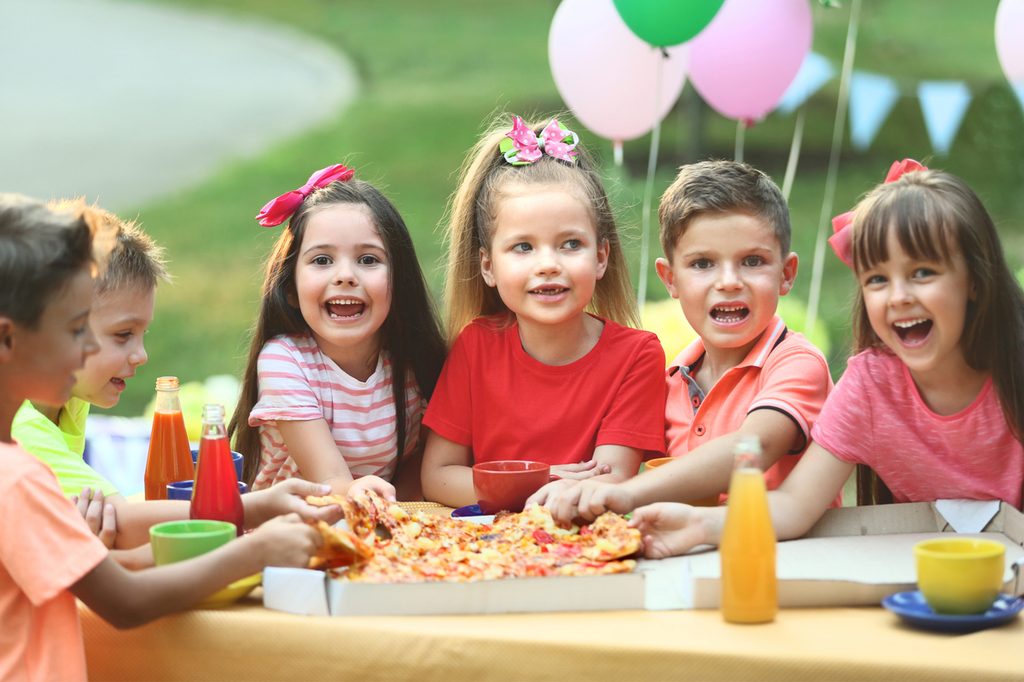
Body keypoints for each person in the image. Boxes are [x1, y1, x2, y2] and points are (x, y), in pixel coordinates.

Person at [0, 194, 323, 681]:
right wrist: (253, 550)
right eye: (74, 330)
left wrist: (248, 515)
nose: (87, 347)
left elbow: (111, 562)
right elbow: (126, 601)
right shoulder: (18, 476)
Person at [630, 162, 1024, 558]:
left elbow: (756, 445)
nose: (899, 296)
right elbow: (792, 505)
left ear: (975, 278)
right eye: (878, 279)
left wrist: (624, 493)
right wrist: (697, 524)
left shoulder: (1013, 373)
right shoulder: (870, 384)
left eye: (922, 273)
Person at [12, 203, 338, 563]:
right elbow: (120, 524)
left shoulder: (67, 399)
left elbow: (96, 526)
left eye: (141, 334)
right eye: (123, 335)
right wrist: (252, 508)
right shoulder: (18, 427)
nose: (141, 355)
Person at [530, 160, 835, 524]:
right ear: (670, 279)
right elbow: (612, 465)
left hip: (785, 558)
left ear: (786, 275)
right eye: (703, 264)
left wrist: (626, 494)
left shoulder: (797, 363)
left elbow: (756, 446)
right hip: (685, 557)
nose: (728, 282)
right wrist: (574, 487)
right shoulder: (670, 381)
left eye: (752, 261)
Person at [420, 115, 667, 508]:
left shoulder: (636, 357)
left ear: (601, 257)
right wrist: (542, 481)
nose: (548, 264)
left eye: (570, 244)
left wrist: (503, 487)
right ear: (488, 266)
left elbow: (607, 482)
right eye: (523, 247)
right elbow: (438, 477)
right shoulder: (476, 346)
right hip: (483, 551)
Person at [229, 164, 447, 501]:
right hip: (288, 536)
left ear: (399, 283)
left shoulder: (410, 363)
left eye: (368, 259)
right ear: (290, 287)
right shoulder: (284, 361)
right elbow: (330, 483)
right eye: (321, 260)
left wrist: (402, 519)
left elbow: (416, 464)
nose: (345, 275)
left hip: (373, 526)